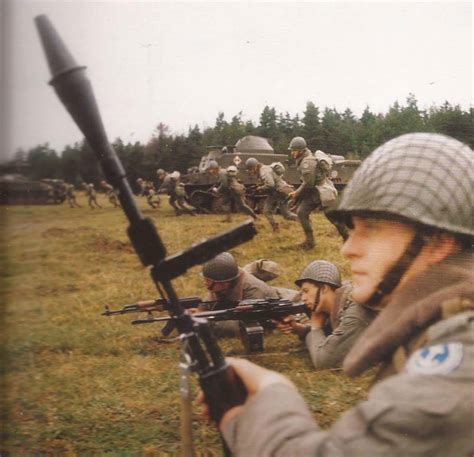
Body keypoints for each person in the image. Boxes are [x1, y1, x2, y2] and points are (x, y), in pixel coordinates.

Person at [206, 133, 473, 456]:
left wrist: (270, 397)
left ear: (437, 242)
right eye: (352, 230)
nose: (348, 249)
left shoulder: (461, 358)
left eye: (371, 230)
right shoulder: (442, 323)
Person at [276, 260, 376, 369]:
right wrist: (298, 329)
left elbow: (323, 361)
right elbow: (327, 336)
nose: (303, 298)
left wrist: (315, 327)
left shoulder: (354, 314)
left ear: (324, 288)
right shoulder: (338, 306)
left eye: (306, 291)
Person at [288, 136, 347, 249]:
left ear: (300, 151)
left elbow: (308, 184)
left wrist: (296, 194)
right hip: (315, 191)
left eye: (293, 151)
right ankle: (310, 242)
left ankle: (348, 238)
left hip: (322, 191)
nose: (292, 153)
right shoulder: (304, 159)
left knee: (332, 217)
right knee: (301, 213)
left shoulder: (307, 162)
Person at [245, 158, 297, 232]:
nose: (250, 172)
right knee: (267, 211)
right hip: (274, 193)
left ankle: (304, 221)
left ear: (254, 167)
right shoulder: (263, 170)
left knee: (286, 215)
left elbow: (270, 184)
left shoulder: (264, 171)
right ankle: (275, 228)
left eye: (250, 170)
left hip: (279, 192)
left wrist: (260, 188)